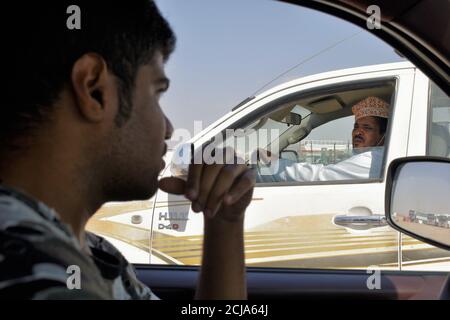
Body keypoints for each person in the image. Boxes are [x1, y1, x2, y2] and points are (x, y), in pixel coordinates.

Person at [0, 1, 255, 299]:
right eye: (157, 93)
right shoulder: (35, 271)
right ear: (95, 90)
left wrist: (224, 222)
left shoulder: (90, 252)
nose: (169, 128)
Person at [256, 96, 389, 182]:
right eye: (356, 126)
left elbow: (319, 176)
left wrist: (271, 161)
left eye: (367, 127)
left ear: (383, 135)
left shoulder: (372, 159)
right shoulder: (370, 157)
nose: (358, 132)